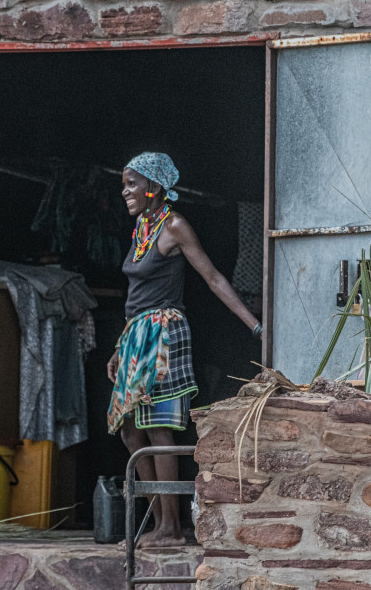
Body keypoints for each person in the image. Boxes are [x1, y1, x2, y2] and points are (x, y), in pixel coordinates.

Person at [107, 152, 262, 548]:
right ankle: (159, 521)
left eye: (132, 184)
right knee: (130, 429)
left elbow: (212, 278)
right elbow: (136, 295)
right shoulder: (141, 228)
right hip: (136, 335)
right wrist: (120, 347)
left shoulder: (174, 226)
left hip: (164, 334)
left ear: (154, 186)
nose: (125, 191)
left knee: (158, 426)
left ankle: (171, 528)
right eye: (124, 184)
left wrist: (255, 325)